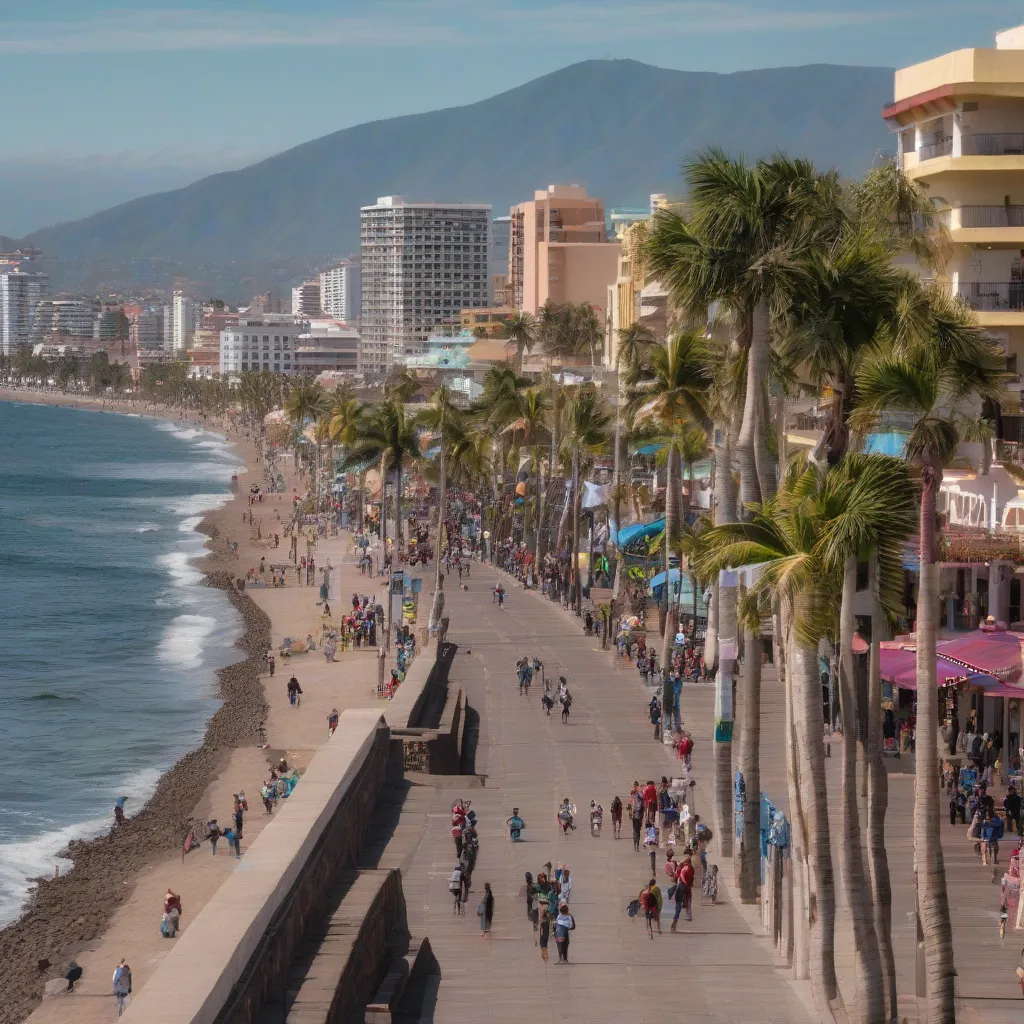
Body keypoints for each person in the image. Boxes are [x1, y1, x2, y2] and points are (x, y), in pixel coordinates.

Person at [673, 853, 696, 928]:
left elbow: (681, 876)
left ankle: (677, 917)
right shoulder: (691, 868)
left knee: (680, 900)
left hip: (683, 886)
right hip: (688, 886)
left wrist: (684, 883)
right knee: (688, 900)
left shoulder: (684, 868)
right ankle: (689, 916)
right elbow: (693, 876)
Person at [630, 783, 645, 851]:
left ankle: (636, 845)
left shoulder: (637, 796)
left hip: (637, 815)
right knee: (636, 831)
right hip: (637, 816)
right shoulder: (635, 797)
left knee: (636, 831)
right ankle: (636, 845)